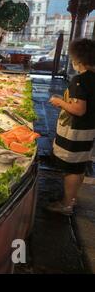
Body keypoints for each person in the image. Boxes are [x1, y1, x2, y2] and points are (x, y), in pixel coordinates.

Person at [46, 38, 95, 216]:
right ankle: (72, 197)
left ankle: (66, 204)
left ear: (78, 60)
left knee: (71, 169)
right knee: (80, 166)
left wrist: (59, 101)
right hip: (88, 131)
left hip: (76, 132)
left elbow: (79, 109)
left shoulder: (79, 81)